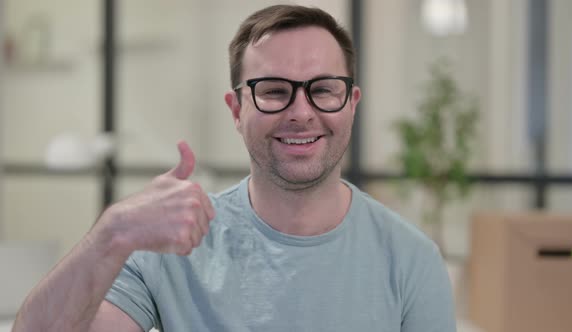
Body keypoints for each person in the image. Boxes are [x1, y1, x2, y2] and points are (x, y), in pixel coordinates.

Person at [12, 4, 456, 332]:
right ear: (236, 108)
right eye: (274, 90)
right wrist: (110, 233)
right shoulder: (172, 246)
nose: (301, 112)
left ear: (351, 104)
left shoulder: (411, 261)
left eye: (322, 89)